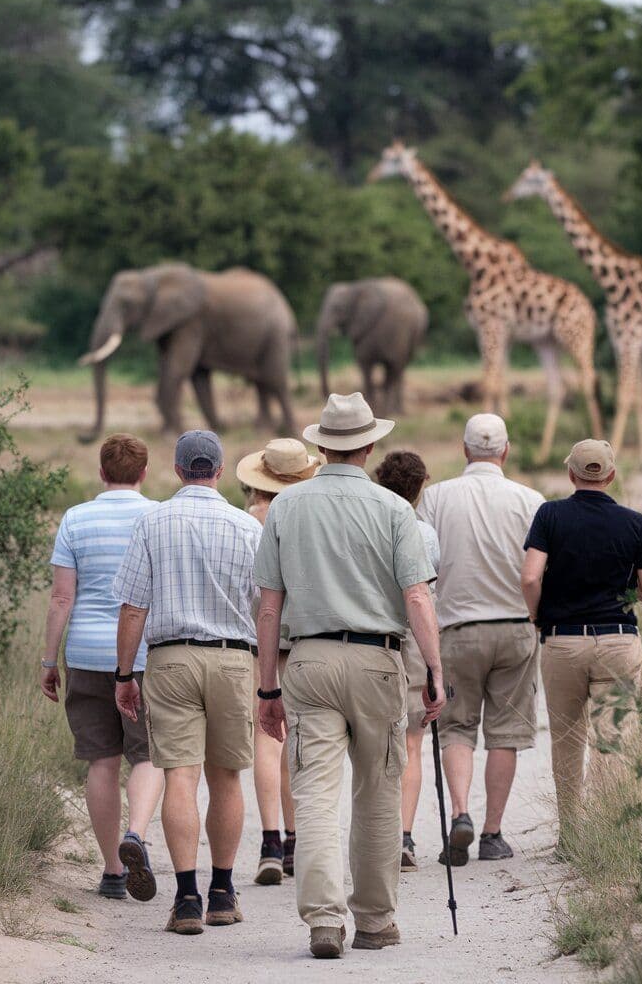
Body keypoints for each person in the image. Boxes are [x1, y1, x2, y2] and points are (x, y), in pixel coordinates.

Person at [253, 392, 445, 959]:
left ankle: (323, 921)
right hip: (378, 661)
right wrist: (434, 670)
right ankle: (375, 919)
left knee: (314, 793)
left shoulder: (286, 507)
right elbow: (417, 596)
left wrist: (268, 686)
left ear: (321, 445)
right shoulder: (394, 509)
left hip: (308, 661)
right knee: (379, 790)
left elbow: (269, 608)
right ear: (368, 445)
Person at [111, 431, 262, 936]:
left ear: (177, 470)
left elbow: (133, 606)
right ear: (220, 472)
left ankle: (187, 897)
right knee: (227, 778)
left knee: (180, 776)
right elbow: (265, 607)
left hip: (171, 660)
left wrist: (124, 674)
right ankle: (223, 891)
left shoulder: (152, 522)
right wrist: (268, 680)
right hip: (233, 660)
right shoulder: (247, 526)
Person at [40, 434, 165, 902]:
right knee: (149, 754)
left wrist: (50, 660)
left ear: (101, 472)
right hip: (143, 656)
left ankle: (113, 869)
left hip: (87, 653)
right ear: (144, 473)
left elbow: (61, 598)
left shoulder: (76, 518)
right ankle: (136, 834)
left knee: (102, 760)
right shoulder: (156, 516)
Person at [417, 414, 544, 866]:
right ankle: (493, 833)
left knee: (456, 728)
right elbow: (539, 569)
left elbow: (422, 567)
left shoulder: (435, 497)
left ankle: (460, 814)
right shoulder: (531, 500)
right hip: (515, 626)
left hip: (457, 630)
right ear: (505, 451)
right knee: (505, 734)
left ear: (464, 449)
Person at [521, 439, 642, 838]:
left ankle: (570, 835)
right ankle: (609, 833)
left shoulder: (550, 515)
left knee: (567, 741)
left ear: (571, 474)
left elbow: (530, 576)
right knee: (612, 742)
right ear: (612, 475)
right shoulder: (636, 523)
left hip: (563, 642)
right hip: (618, 641)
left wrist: (539, 615)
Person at [236, 438, 320, 885]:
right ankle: (294, 839)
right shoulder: (309, 513)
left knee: (265, 741)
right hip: (304, 637)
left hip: (259, 640)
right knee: (297, 741)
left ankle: (269, 839)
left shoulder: (249, 520)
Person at [374, 451, 440, 873]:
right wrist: (436, 664)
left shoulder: (367, 526)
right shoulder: (425, 534)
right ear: (420, 488)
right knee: (412, 743)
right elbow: (425, 596)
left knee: (377, 743)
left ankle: (377, 834)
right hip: (412, 643)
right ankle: (404, 834)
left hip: (373, 639)